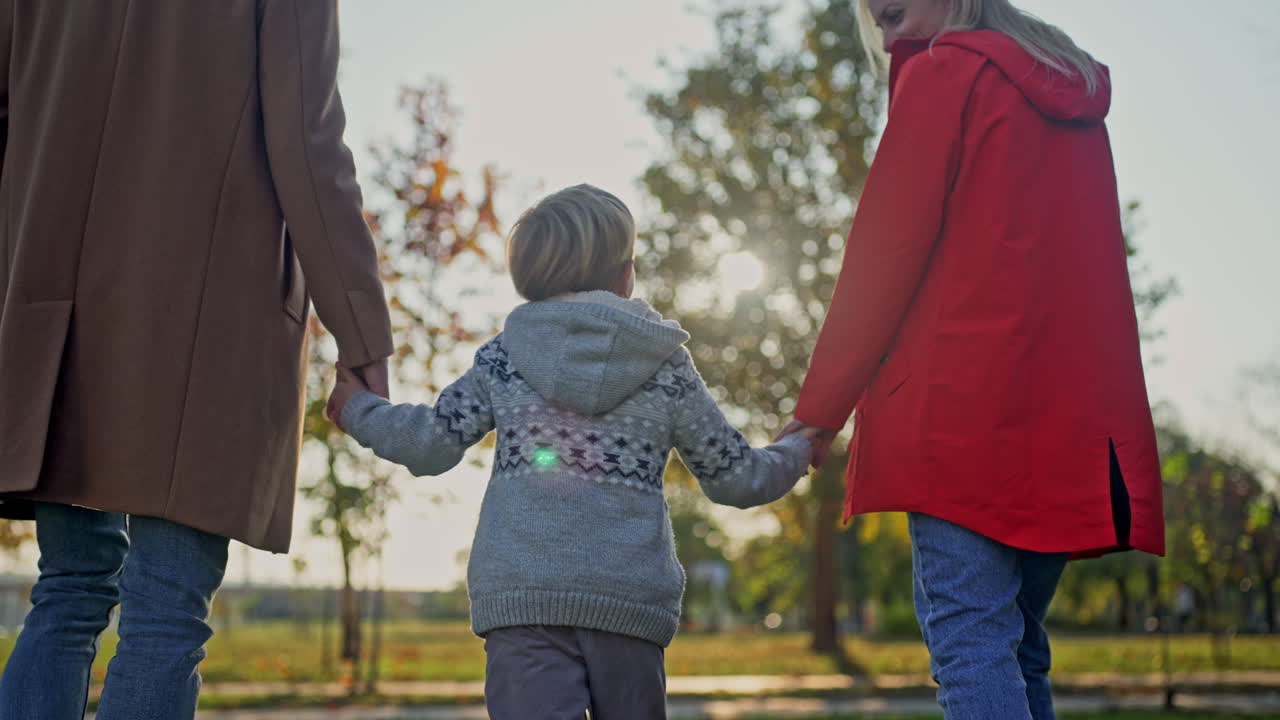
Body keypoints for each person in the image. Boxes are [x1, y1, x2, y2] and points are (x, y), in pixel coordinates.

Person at [0, 2, 391, 718]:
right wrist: (361, 333)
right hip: (206, 328)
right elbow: (308, 143)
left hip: (58, 321)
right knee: (166, 609)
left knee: (66, 591)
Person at [776, 1, 1166, 718]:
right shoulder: (1068, 92)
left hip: (959, 424)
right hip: (1067, 428)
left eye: (892, 15)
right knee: (1018, 648)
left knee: (971, 646)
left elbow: (883, 257)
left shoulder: (945, 74)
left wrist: (818, 413)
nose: (885, 35)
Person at [327, 184, 816, 720]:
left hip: (523, 604)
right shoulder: (664, 367)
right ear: (625, 274)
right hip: (628, 607)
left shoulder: (504, 359)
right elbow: (736, 477)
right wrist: (798, 446)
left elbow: (428, 445)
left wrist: (357, 407)